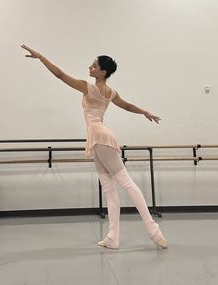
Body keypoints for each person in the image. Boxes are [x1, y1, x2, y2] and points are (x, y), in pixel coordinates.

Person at [21, 44, 168, 250]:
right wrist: (144, 111)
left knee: (125, 182)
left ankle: (153, 230)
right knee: (109, 188)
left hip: (100, 135)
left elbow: (60, 75)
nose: (90, 67)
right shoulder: (110, 92)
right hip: (99, 135)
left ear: (103, 71)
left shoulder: (88, 87)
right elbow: (126, 105)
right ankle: (112, 238)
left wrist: (41, 57)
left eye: (94, 65)